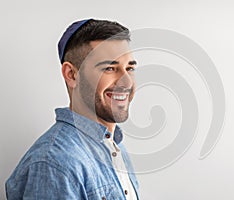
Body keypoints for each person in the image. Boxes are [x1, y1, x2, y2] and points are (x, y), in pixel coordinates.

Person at [5, 19, 139, 200]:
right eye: (110, 68)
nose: (126, 82)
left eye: (129, 68)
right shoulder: (55, 162)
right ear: (71, 74)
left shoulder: (115, 145)